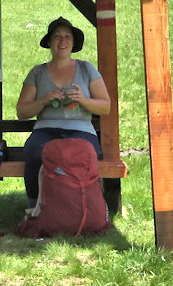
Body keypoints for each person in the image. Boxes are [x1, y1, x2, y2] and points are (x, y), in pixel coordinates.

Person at [15, 17, 112, 206]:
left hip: (81, 130)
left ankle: (86, 206)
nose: (63, 41)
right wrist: (44, 100)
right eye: (57, 36)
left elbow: (105, 106)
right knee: (35, 153)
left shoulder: (86, 69)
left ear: (73, 43)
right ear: (50, 42)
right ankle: (35, 208)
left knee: (85, 153)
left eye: (68, 37)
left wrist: (82, 100)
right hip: (45, 129)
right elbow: (22, 111)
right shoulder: (38, 72)